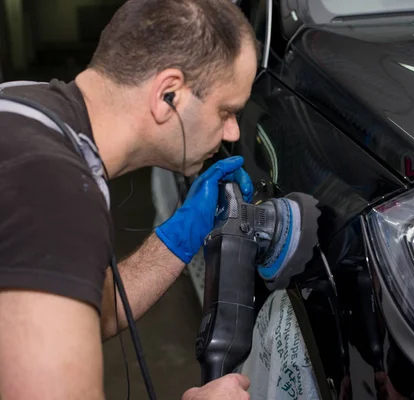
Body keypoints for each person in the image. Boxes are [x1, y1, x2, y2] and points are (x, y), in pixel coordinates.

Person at [0, 0, 258, 398]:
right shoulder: (51, 189)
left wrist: (180, 235)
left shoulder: (25, 107)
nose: (233, 133)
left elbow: (83, 312)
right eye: (227, 111)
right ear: (168, 94)